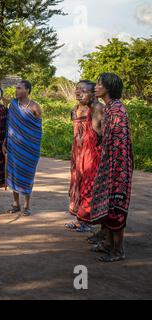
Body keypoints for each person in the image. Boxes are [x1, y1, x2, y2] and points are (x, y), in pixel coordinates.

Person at [90, 73, 133, 262]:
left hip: (118, 166)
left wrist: (115, 169)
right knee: (108, 203)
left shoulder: (117, 111)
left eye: (99, 84)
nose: (96, 87)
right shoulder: (109, 109)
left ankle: (118, 250)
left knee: (116, 205)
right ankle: (108, 243)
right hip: (110, 163)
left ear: (108, 88)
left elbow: (121, 142)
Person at [65, 80, 104, 233]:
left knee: (89, 184)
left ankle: (87, 221)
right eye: (77, 89)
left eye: (82, 90)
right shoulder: (74, 110)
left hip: (91, 152)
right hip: (78, 151)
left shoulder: (96, 109)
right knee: (77, 183)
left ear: (93, 93)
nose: (78, 92)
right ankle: (80, 218)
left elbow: (101, 134)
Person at [3, 80, 42, 216]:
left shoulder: (35, 107)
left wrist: (32, 145)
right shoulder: (12, 105)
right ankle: (15, 204)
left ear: (27, 90)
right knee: (13, 173)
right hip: (13, 147)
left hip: (30, 149)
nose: (16, 90)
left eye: (19, 88)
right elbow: (9, 125)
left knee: (28, 175)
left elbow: (37, 130)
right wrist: (5, 141)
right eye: (16, 88)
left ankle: (26, 205)